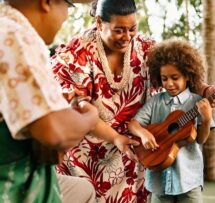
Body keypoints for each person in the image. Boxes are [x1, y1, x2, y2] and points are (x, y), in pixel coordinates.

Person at [51, 0, 215, 202]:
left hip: (135, 151)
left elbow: (177, 72)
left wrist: (205, 89)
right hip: (86, 159)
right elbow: (78, 108)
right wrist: (115, 137)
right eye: (119, 30)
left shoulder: (146, 48)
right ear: (99, 22)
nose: (127, 37)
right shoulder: (75, 55)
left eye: (132, 28)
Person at [0, 0, 138, 202]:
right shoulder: (15, 37)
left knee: (82, 189)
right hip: (11, 185)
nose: (66, 16)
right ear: (46, 3)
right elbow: (53, 132)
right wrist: (90, 117)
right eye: (68, 6)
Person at [128, 38, 215, 203]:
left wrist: (207, 118)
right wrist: (144, 134)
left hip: (188, 180)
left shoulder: (197, 102)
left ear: (188, 76)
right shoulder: (155, 102)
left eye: (175, 77)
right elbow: (133, 124)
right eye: (164, 78)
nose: (169, 84)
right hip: (158, 180)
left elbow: (201, 140)